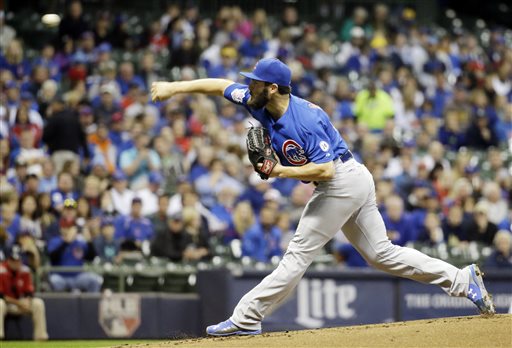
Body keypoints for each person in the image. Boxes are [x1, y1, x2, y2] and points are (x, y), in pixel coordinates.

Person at [151, 57, 495, 337]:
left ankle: (246, 317)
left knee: (297, 255)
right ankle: (462, 280)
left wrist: (278, 172)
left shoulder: (306, 118)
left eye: (255, 81)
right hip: (352, 180)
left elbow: (326, 171)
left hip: (342, 180)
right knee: (381, 254)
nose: (248, 85)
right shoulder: (258, 101)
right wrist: (174, 87)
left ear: (272, 88)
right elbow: (219, 85)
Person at [0, 245, 49, 340]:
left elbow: (29, 291)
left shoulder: (25, 270)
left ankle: (41, 337)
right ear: (8, 259)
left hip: (22, 303)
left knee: (38, 303)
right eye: (13, 260)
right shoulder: (1, 270)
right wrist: (19, 303)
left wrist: (27, 300)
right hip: (7, 304)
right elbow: (1, 295)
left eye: (18, 260)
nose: (16, 262)